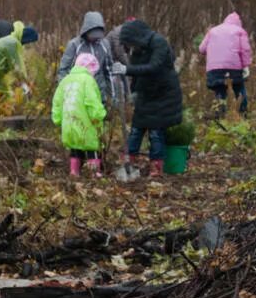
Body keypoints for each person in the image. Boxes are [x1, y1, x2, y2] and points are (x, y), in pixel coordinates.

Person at [120, 18, 184, 177]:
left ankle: (156, 166)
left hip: (163, 95)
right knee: (136, 130)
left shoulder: (159, 43)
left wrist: (126, 69)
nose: (130, 47)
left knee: (156, 132)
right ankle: (129, 162)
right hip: (145, 95)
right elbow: (137, 74)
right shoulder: (137, 50)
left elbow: (153, 67)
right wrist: (133, 91)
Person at [52, 52, 107, 178]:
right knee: (92, 147)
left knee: (75, 147)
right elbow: (92, 101)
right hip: (86, 122)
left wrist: (58, 119)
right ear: (90, 68)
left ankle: (74, 172)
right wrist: (99, 115)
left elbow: (57, 101)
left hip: (69, 123)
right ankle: (94, 173)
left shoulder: (65, 80)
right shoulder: (88, 80)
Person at [0, 20, 39, 117]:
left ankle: (1, 119)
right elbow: (18, 67)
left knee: (5, 94)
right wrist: (26, 84)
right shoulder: (12, 43)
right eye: (29, 42)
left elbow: (15, 66)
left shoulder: (14, 42)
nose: (27, 45)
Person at [57, 12, 120, 107]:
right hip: (77, 95)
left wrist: (113, 96)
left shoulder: (104, 45)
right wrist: (66, 93)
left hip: (99, 95)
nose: (95, 39)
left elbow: (109, 71)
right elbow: (64, 70)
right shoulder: (75, 45)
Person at [199, 12, 252, 117]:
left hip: (214, 68)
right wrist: (246, 66)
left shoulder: (212, 31)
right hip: (234, 68)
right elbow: (245, 50)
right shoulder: (240, 31)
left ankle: (219, 116)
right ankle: (243, 114)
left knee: (219, 91)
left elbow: (201, 49)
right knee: (239, 89)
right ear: (239, 23)